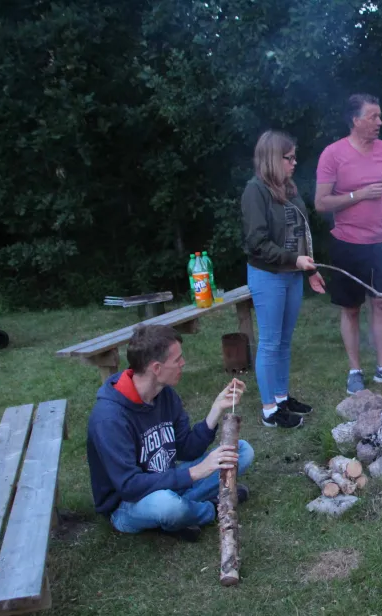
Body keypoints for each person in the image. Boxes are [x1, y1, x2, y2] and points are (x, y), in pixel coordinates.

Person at [86, 325, 255, 542]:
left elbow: (186, 447)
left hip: (167, 480)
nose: (183, 363)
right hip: (128, 504)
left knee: (242, 451)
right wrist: (195, 473)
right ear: (156, 368)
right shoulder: (109, 418)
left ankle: (182, 514)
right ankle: (211, 509)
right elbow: (129, 486)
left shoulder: (165, 395)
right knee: (167, 505)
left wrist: (216, 410)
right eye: (177, 360)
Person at [315, 93, 382, 394]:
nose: (380, 122)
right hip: (349, 243)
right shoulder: (332, 154)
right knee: (351, 308)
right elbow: (320, 202)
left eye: (380, 116)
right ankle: (355, 370)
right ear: (355, 120)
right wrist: (358, 195)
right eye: (373, 117)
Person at [241, 129, 326, 429]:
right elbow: (257, 243)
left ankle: (281, 397)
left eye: (294, 158)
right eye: (288, 158)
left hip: (292, 275)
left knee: (285, 341)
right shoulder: (255, 191)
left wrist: (310, 270)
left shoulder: (288, 189)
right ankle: (269, 411)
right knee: (270, 342)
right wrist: (294, 261)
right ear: (272, 158)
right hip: (269, 276)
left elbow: (301, 234)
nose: (293, 163)